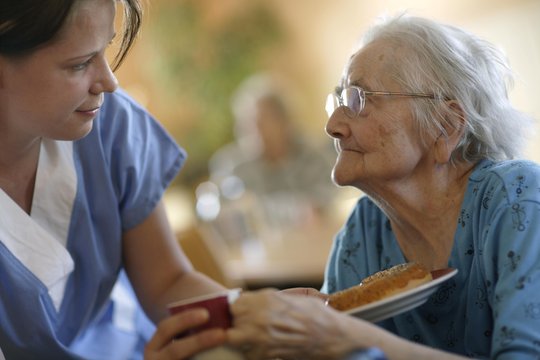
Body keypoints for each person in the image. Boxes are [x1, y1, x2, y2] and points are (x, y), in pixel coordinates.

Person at [225, 14, 540, 359]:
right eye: (339, 101)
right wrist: (298, 338)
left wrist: (345, 335)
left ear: (445, 126)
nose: (332, 126)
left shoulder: (517, 201)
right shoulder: (364, 230)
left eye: (359, 100)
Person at [0, 1, 232, 359]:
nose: (109, 82)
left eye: (105, 50)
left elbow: (167, 283)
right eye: (79, 64)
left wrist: (245, 315)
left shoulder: (111, 128)